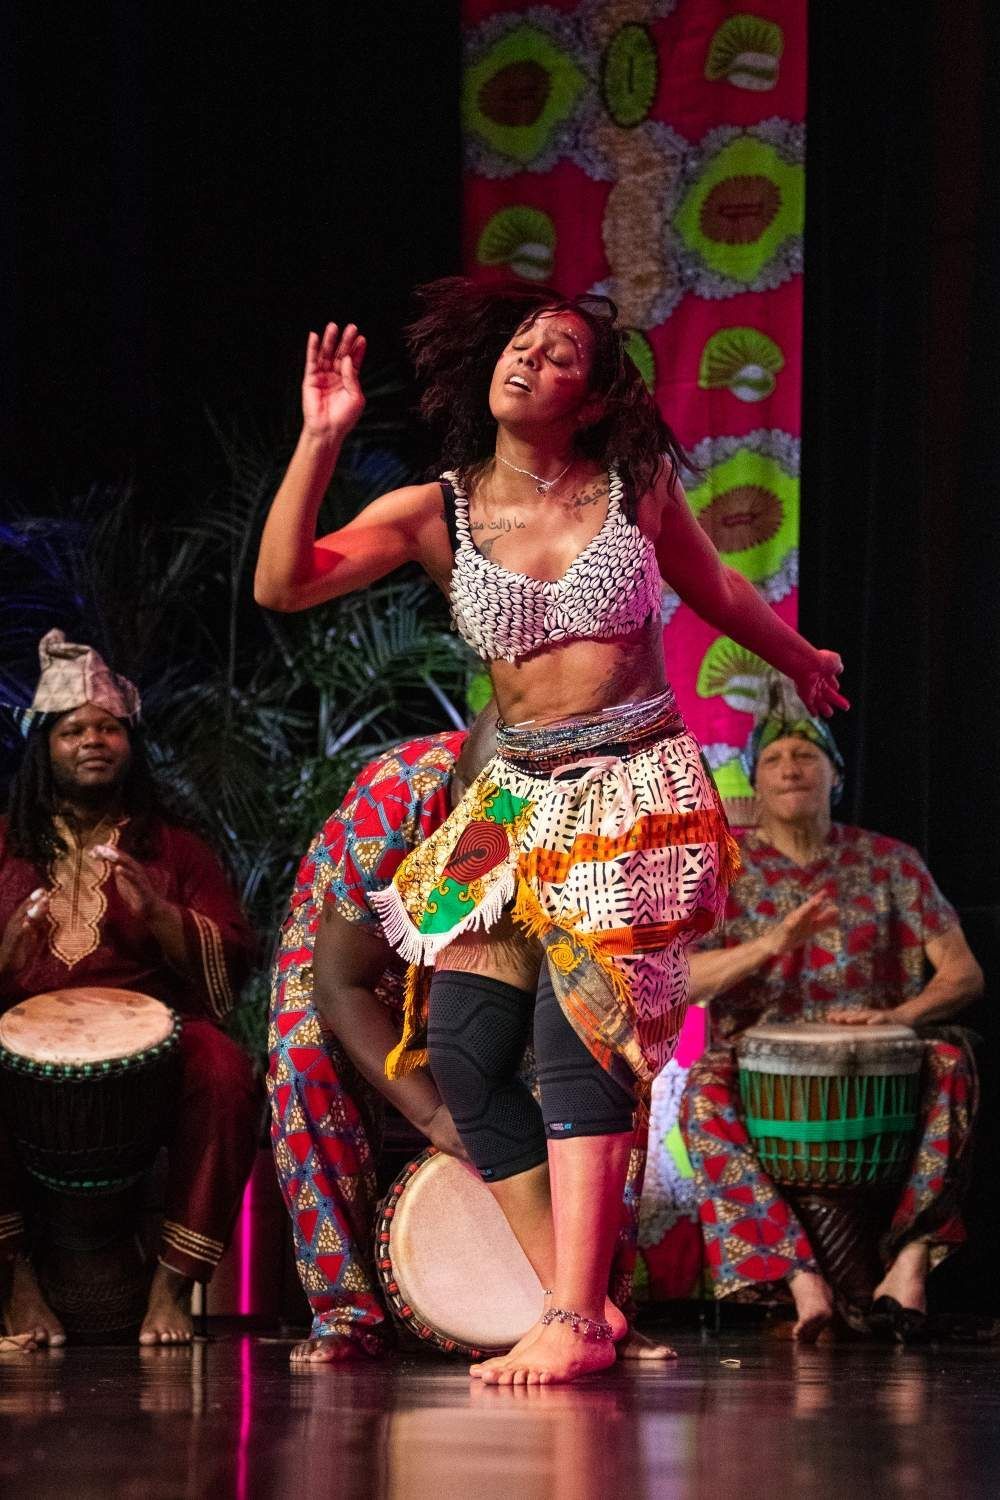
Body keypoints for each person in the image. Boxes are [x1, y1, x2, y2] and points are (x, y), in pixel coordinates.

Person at [254, 279, 847, 1382]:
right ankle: (571, 1305)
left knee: (582, 1035)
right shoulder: (438, 509)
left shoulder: (633, 486)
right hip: (509, 804)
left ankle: (575, 1318)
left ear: (593, 390)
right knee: (467, 1056)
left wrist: (798, 659)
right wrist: (322, 438)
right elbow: (284, 584)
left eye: (560, 352)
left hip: (632, 788)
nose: (530, 358)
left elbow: (711, 584)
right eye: (520, 342)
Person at [268, 714, 666, 1364]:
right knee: (303, 1055)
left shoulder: (589, 823)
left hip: (508, 946)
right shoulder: (391, 809)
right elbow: (341, 985)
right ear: (460, 793)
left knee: (612, 1063)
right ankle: (344, 1313)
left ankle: (595, 1308)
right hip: (373, 953)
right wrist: (432, 1112)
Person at [680, 679, 982, 1341]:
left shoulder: (890, 862)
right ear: (755, 786)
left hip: (881, 1052)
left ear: (835, 777)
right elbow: (680, 980)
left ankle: (909, 1261)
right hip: (755, 1062)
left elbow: (964, 974)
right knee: (700, 1094)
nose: (791, 768)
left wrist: (902, 1015)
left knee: (953, 1060)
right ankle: (798, 1278)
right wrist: (771, 943)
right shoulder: (723, 872)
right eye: (774, 760)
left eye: (806, 757)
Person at [0, 630, 259, 1347]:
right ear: (44, 747)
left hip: (156, 1042)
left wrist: (162, 917)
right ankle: (16, 1287)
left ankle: (170, 1291)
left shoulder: (175, 848)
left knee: (226, 1071)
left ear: (129, 743)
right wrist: (7, 953)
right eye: (74, 729)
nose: (94, 740)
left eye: (109, 727)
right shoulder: (4, 844)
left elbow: (233, 955)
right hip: (14, 1045)